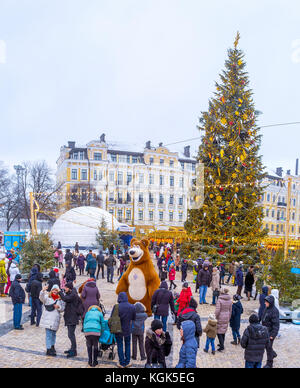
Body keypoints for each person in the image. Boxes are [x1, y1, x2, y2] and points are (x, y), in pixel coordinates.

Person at [39, 284, 65, 356]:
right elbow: (41, 298)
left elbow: (63, 309)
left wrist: (59, 307)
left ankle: (52, 346)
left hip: (55, 320)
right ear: (51, 290)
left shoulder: (60, 299)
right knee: (48, 334)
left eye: (56, 290)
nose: (55, 291)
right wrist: (42, 290)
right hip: (48, 319)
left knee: (53, 334)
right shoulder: (47, 297)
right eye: (54, 290)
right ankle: (48, 349)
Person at [113, 292, 136, 368]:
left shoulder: (116, 306)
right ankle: (127, 362)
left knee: (120, 345)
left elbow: (112, 317)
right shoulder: (132, 306)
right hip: (127, 329)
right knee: (128, 345)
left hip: (118, 329)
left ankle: (122, 362)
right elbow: (133, 318)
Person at [58, 282, 80, 358]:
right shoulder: (71, 293)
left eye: (66, 288)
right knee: (70, 334)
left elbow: (65, 299)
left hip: (72, 317)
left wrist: (59, 292)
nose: (65, 289)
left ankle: (74, 351)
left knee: (71, 335)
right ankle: (72, 348)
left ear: (69, 288)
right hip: (70, 317)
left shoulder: (73, 295)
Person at [261, 295, 280, 368]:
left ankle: (269, 364)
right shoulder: (267, 308)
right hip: (265, 331)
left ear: (270, 302)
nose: (265, 303)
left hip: (270, 332)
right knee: (267, 346)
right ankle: (273, 354)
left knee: (268, 348)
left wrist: (273, 335)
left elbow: (276, 325)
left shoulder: (274, 311)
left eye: (266, 302)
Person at [215, 287, 232, 352]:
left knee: (219, 331)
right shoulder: (230, 300)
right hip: (227, 316)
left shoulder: (219, 300)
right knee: (223, 330)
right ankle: (221, 343)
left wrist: (215, 316)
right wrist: (229, 317)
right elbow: (230, 310)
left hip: (220, 316)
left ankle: (222, 346)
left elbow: (217, 310)